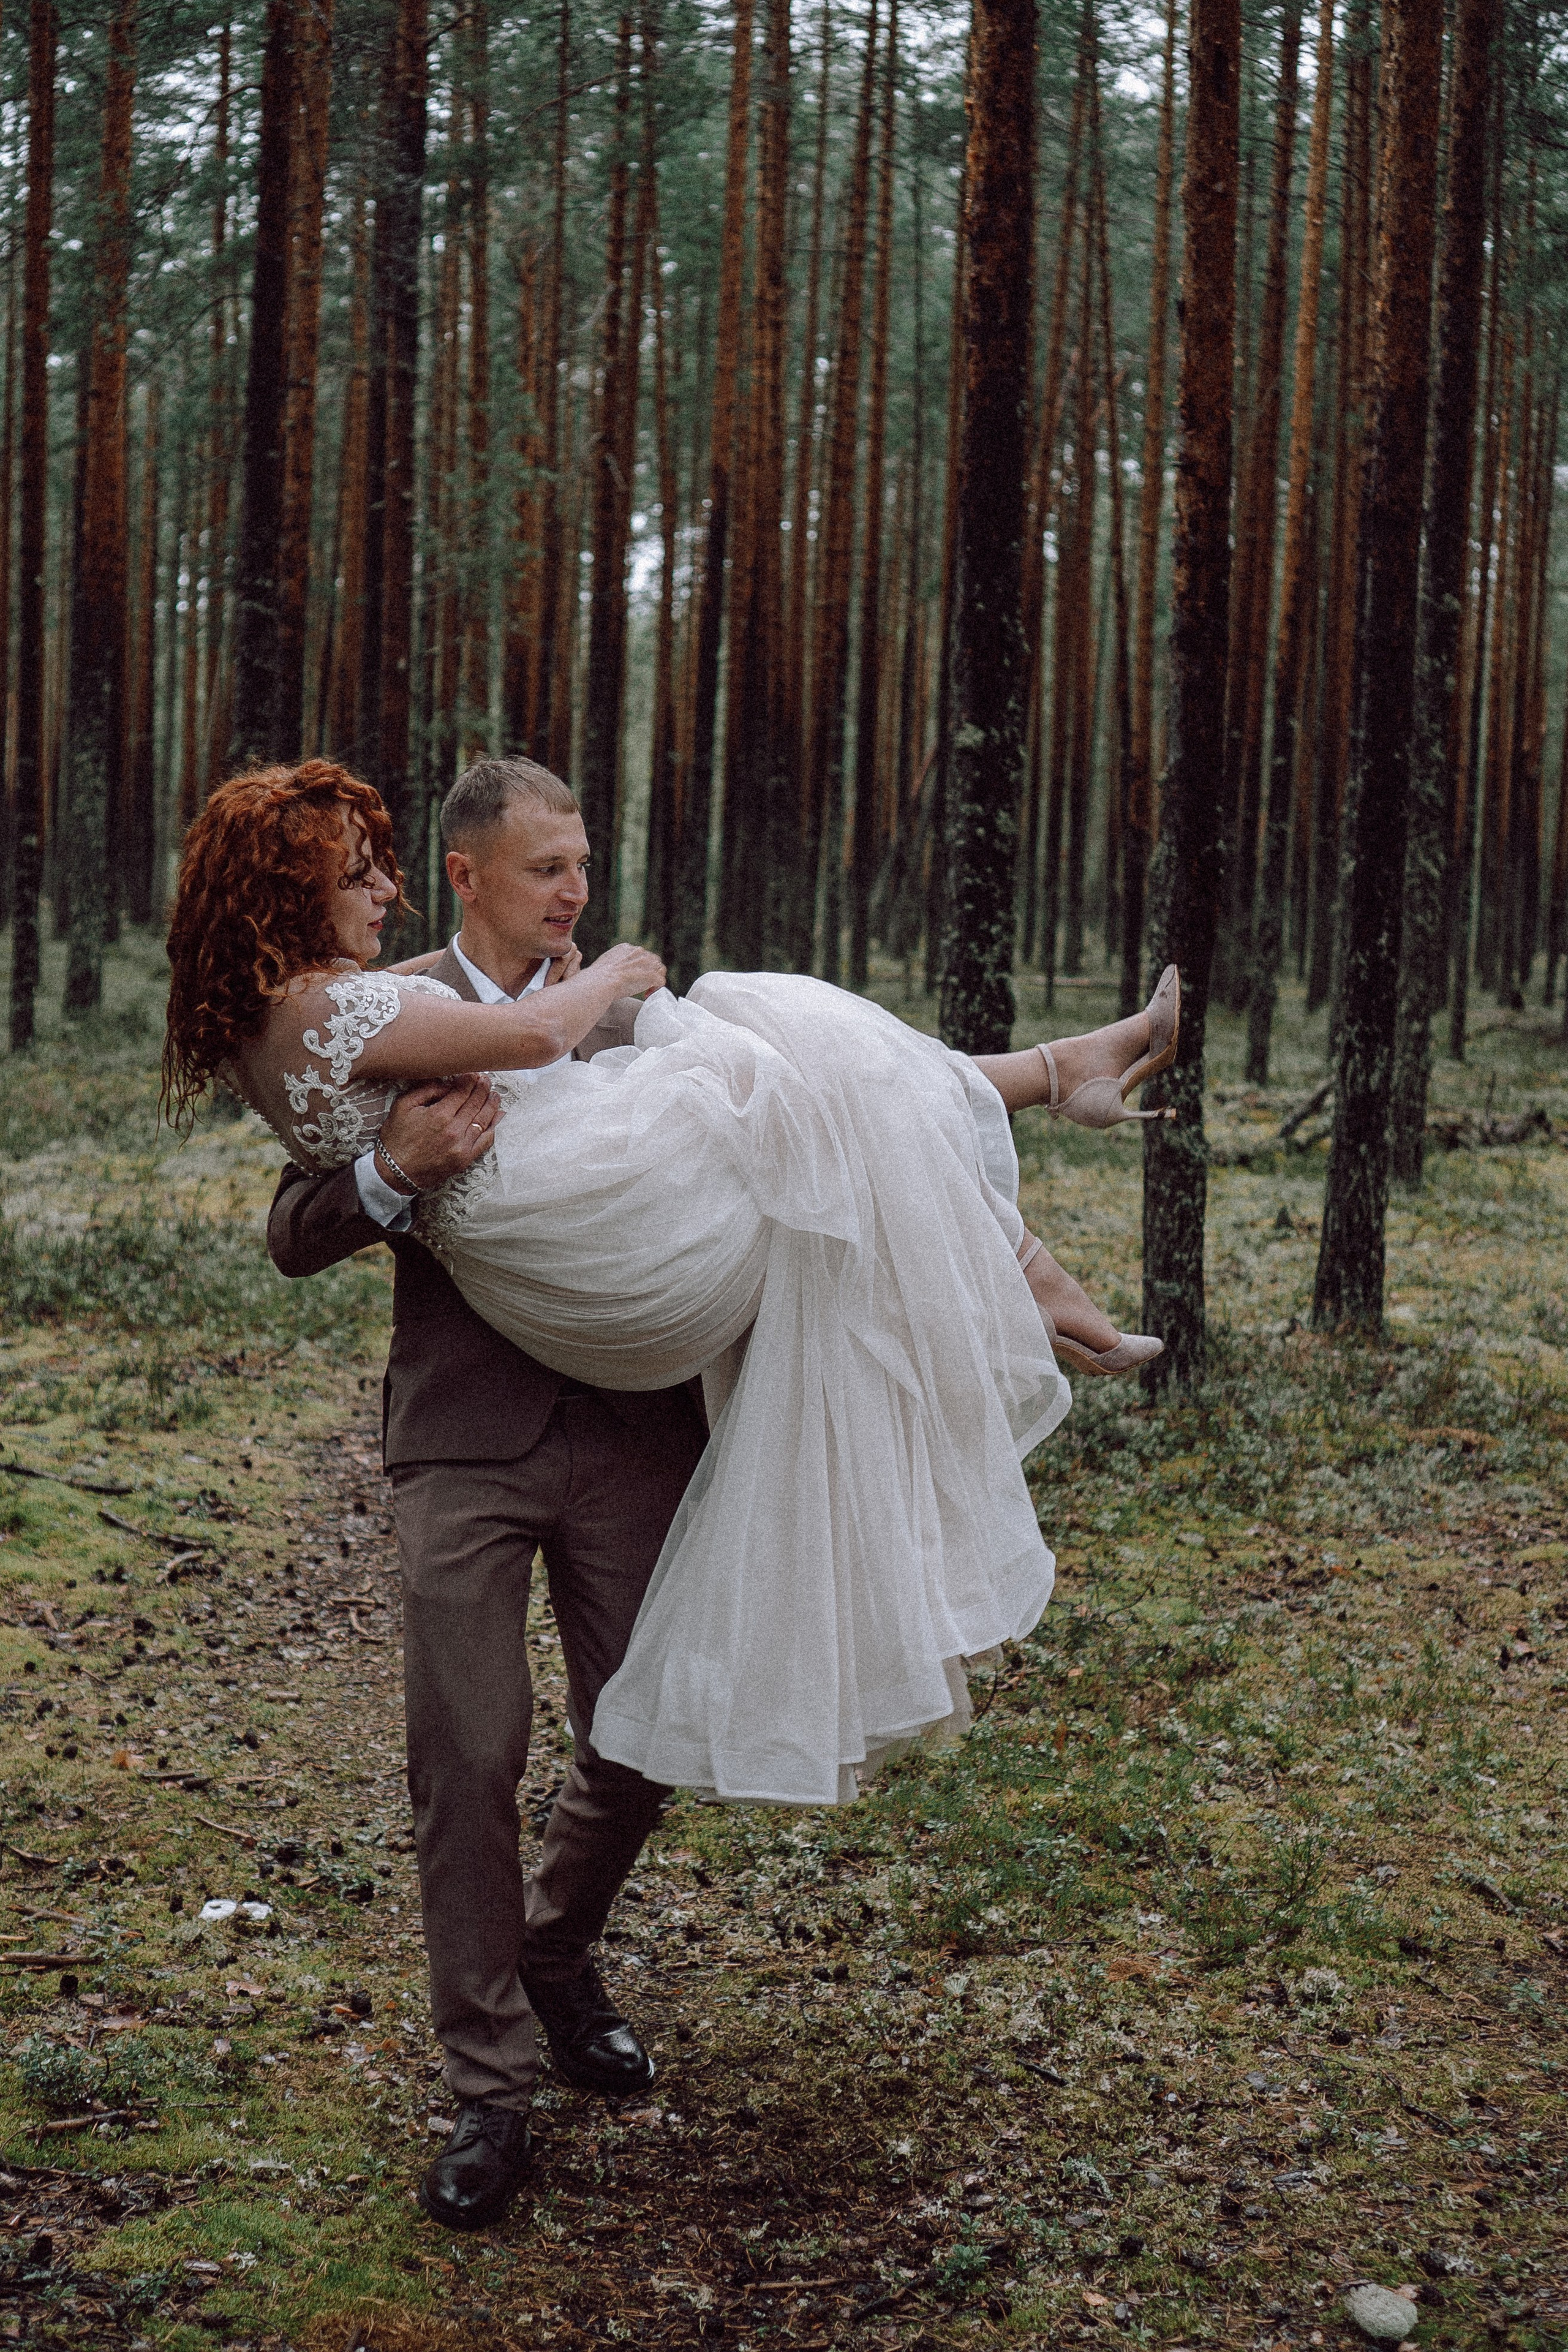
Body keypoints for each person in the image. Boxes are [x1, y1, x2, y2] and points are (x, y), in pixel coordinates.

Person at [163, 756, 1176, 2219]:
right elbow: (290, 1224)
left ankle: (556, 1949)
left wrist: (617, 1004)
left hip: (635, 1422)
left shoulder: (610, 996)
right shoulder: (377, 1004)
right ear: (473, 876)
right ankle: (488, 2093)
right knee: (466, 1753)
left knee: (641, 1728)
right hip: (469, 1435)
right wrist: (388, 1172)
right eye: (545, 870)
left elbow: (757, 1128)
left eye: (580, 870)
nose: (571, 893)